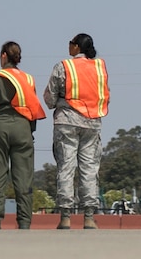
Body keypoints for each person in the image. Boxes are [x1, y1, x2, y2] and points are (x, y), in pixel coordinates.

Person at [0, 41, 44, 229]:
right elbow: (33, 107)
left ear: (4, 56)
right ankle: (24, 223)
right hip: (23, 129)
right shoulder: (29, 79)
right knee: (23, 177)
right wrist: (30, 132)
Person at [46, 33, 109, 229]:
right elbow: (105, 95)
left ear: (76, 47)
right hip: (92, 123)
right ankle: (89, 217)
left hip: (67, 122)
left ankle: (65, 217)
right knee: (89, 169)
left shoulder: (64, 66)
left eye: (71, 44)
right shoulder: (99, 67)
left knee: (66, 167)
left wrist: (62, 104)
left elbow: (49, 98)